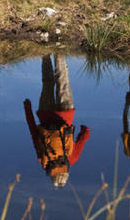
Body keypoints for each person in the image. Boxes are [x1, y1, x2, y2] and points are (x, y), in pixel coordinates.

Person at [24, 55, 90, 188]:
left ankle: (59, 53)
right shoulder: (43, 159)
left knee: (63, 82)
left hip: (65, 115)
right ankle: (45, 54)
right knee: (47, 83)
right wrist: (27, 109)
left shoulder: (72, 159)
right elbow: (33, 133)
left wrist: (84, 129)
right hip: (45, 114)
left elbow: (85, 135)